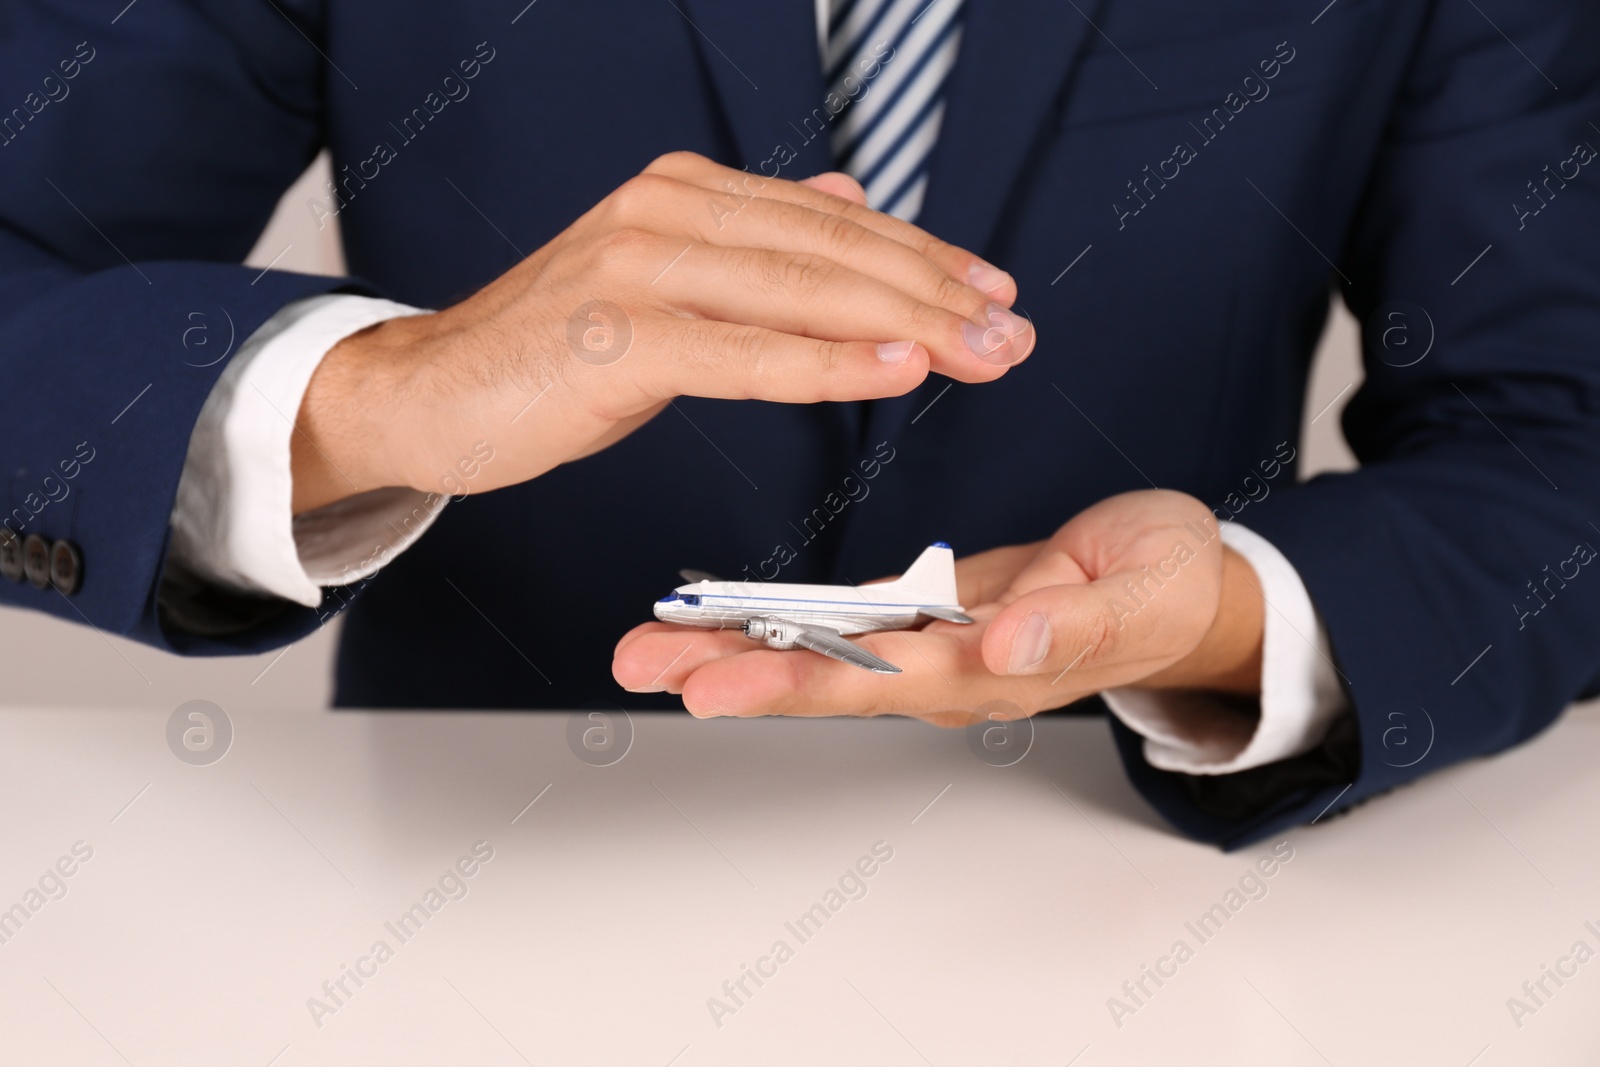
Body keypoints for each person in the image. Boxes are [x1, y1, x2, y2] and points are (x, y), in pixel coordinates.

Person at [1, 0, 1596, 849]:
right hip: (469, 880)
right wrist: (379, 397)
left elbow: (1557, 435)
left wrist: (1239, 618)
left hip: (1126, 897)